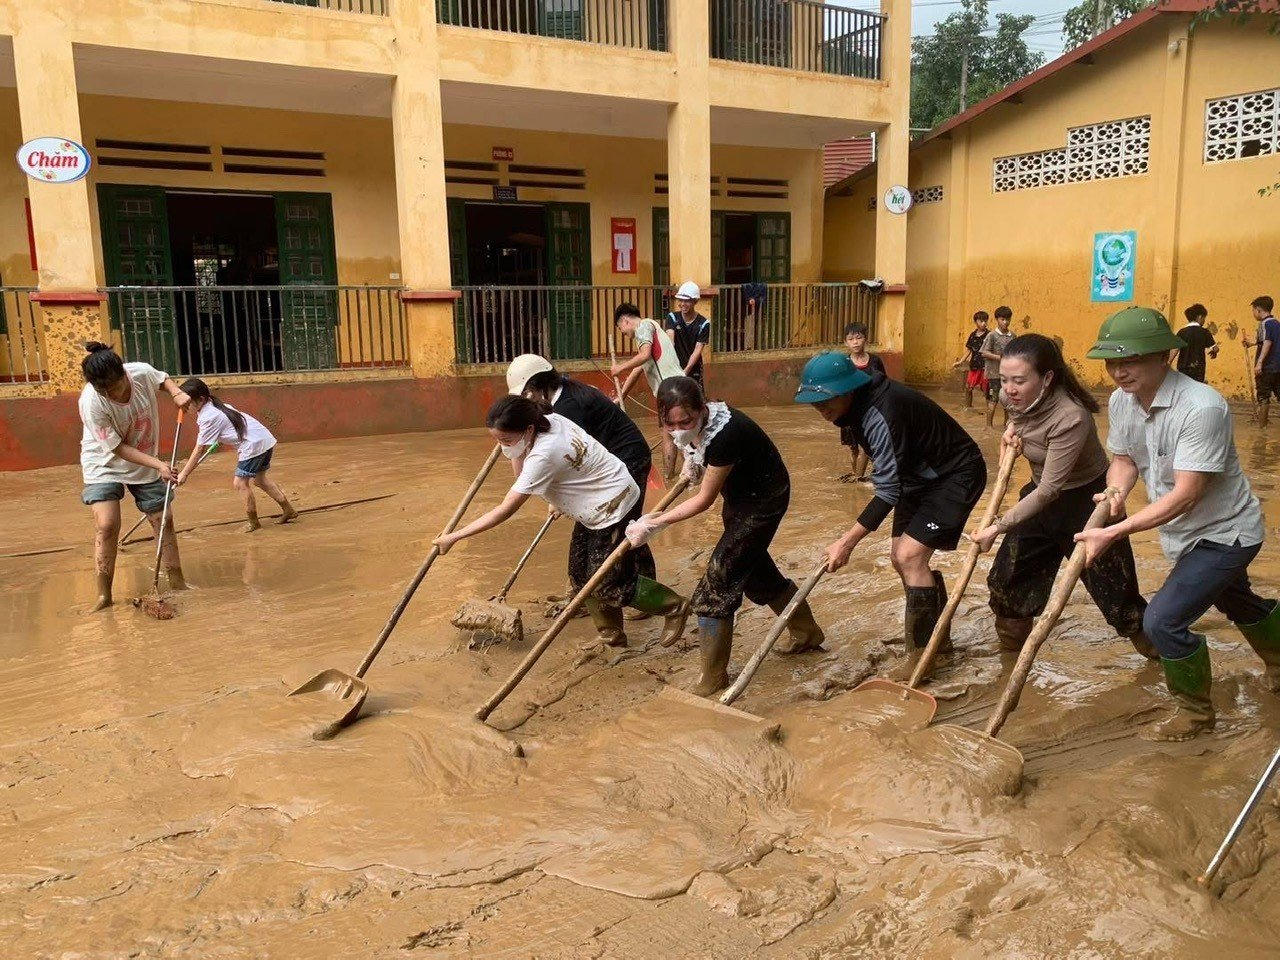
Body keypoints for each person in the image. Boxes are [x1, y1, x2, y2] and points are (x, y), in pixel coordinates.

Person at [1075, 307, 1279, 741]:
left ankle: (1196, 717)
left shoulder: (1202, 407)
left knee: (1162, 622)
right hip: (1182, 534)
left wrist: (1114, 531)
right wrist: (1114, 492)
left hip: (1226, 533)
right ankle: (1279, 661)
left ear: (1164, 356)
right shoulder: (1121, 401)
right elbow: (1125, 460)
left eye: (1129, 360)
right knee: (1236, 601)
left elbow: (1187, 493)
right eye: (1111, 362)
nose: (1117, 372)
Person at [433, 396, 689, 649]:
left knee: (608, 584)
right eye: (498, 440)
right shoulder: (547, 419)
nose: (503, 447)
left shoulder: (544, 454)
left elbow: (505, 509)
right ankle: (611, 633)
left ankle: (674, 606)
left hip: (612, 503)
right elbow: (540, 472)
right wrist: (553, 495)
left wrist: (454, 537)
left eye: (507, 440)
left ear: (529, 429)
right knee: (579, 574)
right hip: (591, 502)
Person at [624, 377, 824, 696]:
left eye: (686, 421)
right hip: (740, 498)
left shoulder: (726, 433)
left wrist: (654, 522)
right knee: (757, 574)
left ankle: (712, 679)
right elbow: (695, 446)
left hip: (763, 501)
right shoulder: (699, 427)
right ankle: (807, 633)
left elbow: (703, 501)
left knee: (714, 589)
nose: (678, 429)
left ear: (702, 410)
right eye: (670, 424)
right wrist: (693, 459)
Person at [795, 352, 986, 671]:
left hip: (954, 474)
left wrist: (846, 542)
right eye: (814, 404)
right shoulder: (850, 409)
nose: (821, 410)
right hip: (917, 477)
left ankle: (923, 659)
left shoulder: (883, 410)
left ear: (847, 391)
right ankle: (935, 639)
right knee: (899, 557)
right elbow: (889, 477)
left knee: (911, 557)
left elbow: (886, 492)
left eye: (825, 401)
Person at [969, 334, 1154, 660]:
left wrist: (995, 528)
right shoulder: (1013, 400)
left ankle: (1167, 664)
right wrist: (1011, 432)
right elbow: (1021, 422)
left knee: (1121, 605)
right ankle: (1007, 671)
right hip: (1038, 504)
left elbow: (1050, 490)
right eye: (1006, 380)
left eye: (1020, 381)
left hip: (1086, 505)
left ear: (1047, 378)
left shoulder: (1072, 416)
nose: (1010, 389)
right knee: (1008, 592)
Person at [505, 353, 677, 627]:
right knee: (590, 536)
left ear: (538, 385)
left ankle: (644, 591)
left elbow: (571, 459)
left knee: (625, 530)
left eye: (526, 392)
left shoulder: (568, 407)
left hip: (624, 461)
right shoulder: (554, 398)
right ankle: (584, 594)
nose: (526, 398)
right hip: (603, 465)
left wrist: (555, 499)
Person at [78, 341, 191, 611]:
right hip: (103, 461)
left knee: (163, 519)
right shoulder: (91, 403)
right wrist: (159, 464)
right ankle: (104, 596)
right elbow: (117, 448)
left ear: (124, 374)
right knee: (107, 525)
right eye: (105, 392)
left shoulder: (139, 372)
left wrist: (176, 393)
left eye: (115, 388)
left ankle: (177, 582)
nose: (112, 396)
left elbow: (162, 379)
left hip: (144, 458)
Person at [175, 378, 297, 531]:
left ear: (201, 399)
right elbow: (229, 426)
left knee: (240, 483)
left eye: (187, 402)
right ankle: (288, 510)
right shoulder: (216, 405)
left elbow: (198, 450)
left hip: (252, 444)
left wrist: (184, 474)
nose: (184, 406)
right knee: (260, 480)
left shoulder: (208, 416)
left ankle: (253, 522)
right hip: (264, 439)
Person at [611, 302, 684, 479]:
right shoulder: (650, 330)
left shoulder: (643, 326)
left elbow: (643, 356)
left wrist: (619, 368)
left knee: (676, 434)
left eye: (621, 328)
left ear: (625, 320)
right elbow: (639, 368)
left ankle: (685, 477)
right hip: (676, 387)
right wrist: (622, 396)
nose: (624, 333)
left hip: (671, 389)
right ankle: (673, 477)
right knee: (676, 433)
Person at [840, 322, 886, 483]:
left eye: (859, 338)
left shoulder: (875, 361)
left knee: (866, 444)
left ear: (865, 340)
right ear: (846, 342)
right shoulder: (844, 363)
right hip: (848, 411)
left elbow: (883, 384)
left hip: (869, 409)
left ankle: (859, 478)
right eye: (851, 339)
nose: (855, 342)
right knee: (852, 446)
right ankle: (856, 474)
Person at [665, 281, 711, 388]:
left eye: (687, 301)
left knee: (694, 399)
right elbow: (670, 342)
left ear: (695, 301)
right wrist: (671, 365)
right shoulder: (672, 317)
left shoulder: (704, 324)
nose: (683, 304)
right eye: (680, 300)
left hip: (693, 368)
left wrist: (685, 371)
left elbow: (697, 350)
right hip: (674, 366)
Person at [980, 306, 1015, 427]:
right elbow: (984, 352)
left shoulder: (1013, 336)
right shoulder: (992, 335)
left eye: (1008, 319)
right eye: (1002, 319)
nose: (1005, 322)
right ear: (997, 319)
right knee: (993, 400)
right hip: (994, 374)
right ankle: (989, 426)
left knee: (1009, 401)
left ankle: (1007, 424)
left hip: (1008, 375)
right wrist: (1000, 358)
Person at [1248, 296, 1279, 427]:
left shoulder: (1264, 324)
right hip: (1278, 367)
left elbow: (1268, 342)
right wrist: (1252, 344)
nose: (1253, 314)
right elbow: (1267, 341)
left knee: (1263, 396)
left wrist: (1259, 362)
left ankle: (1262, 428)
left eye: (1253, 310)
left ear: (1258, 310)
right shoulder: (1276, 323)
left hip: (1267, 367)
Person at [1172, 303, 1218, 383]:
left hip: (1183, 369)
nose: (1204, 320)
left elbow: (1175, 350)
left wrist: (1167, 363)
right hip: (1198, 369)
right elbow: (1215, 348)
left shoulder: (1181, 332)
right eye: (1204, 318)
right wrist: (1214, 352)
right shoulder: (1205, 332)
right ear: (1200, 317)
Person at [953, 311, 990, 408]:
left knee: (986, 389)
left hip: (985, 367)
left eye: (985, 321)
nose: (984, 323)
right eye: (981, 321)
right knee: (968, 387)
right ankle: (968, 408)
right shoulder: (972, 335)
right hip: (974, 366)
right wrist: (960, 361)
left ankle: (989, 410)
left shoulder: (990, 335)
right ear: (976, 322)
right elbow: (968, 350)